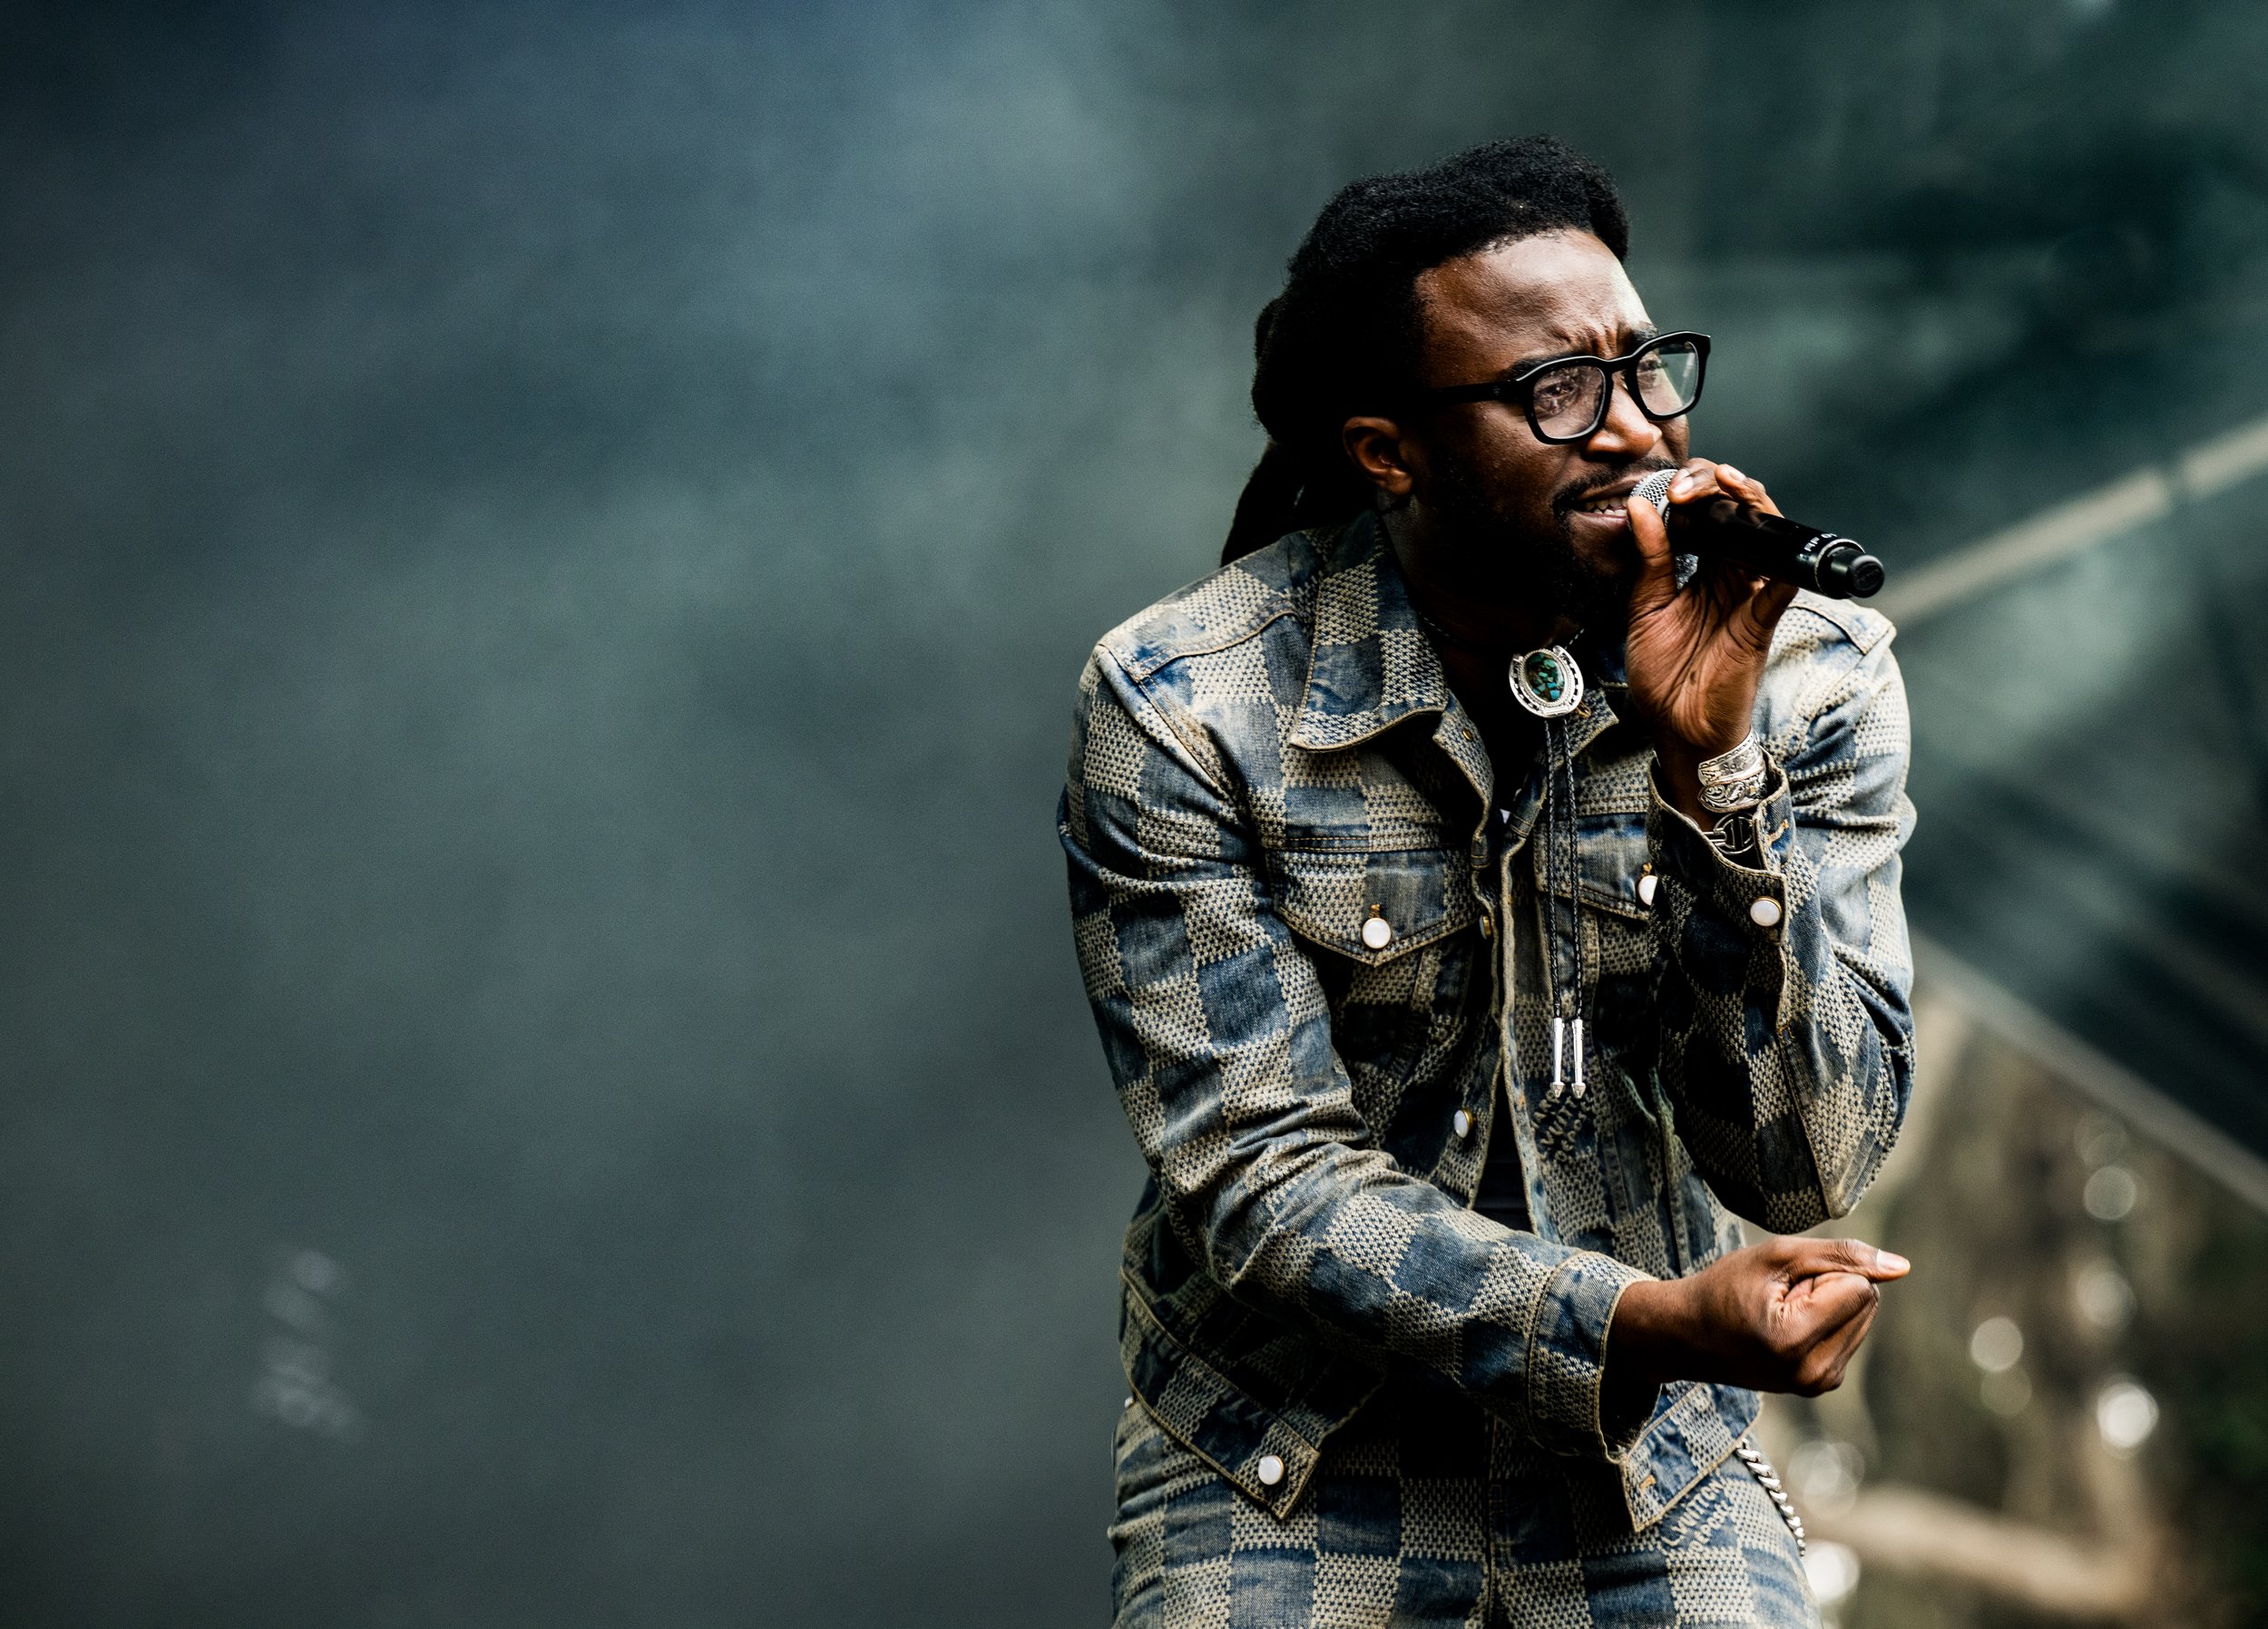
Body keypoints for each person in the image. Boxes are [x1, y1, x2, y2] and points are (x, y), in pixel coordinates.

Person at [1060, 136, 1916, 1627]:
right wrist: (1635, 1322)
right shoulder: (1185, 705)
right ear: (1389, 451)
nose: (1637, 429)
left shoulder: (1811, 681)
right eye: (1556, 393)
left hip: (1654, 1476)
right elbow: (1264, 1186)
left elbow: (1802, 1166)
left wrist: (1711, 779)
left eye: (1647, 368)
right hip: (1288, 1464)